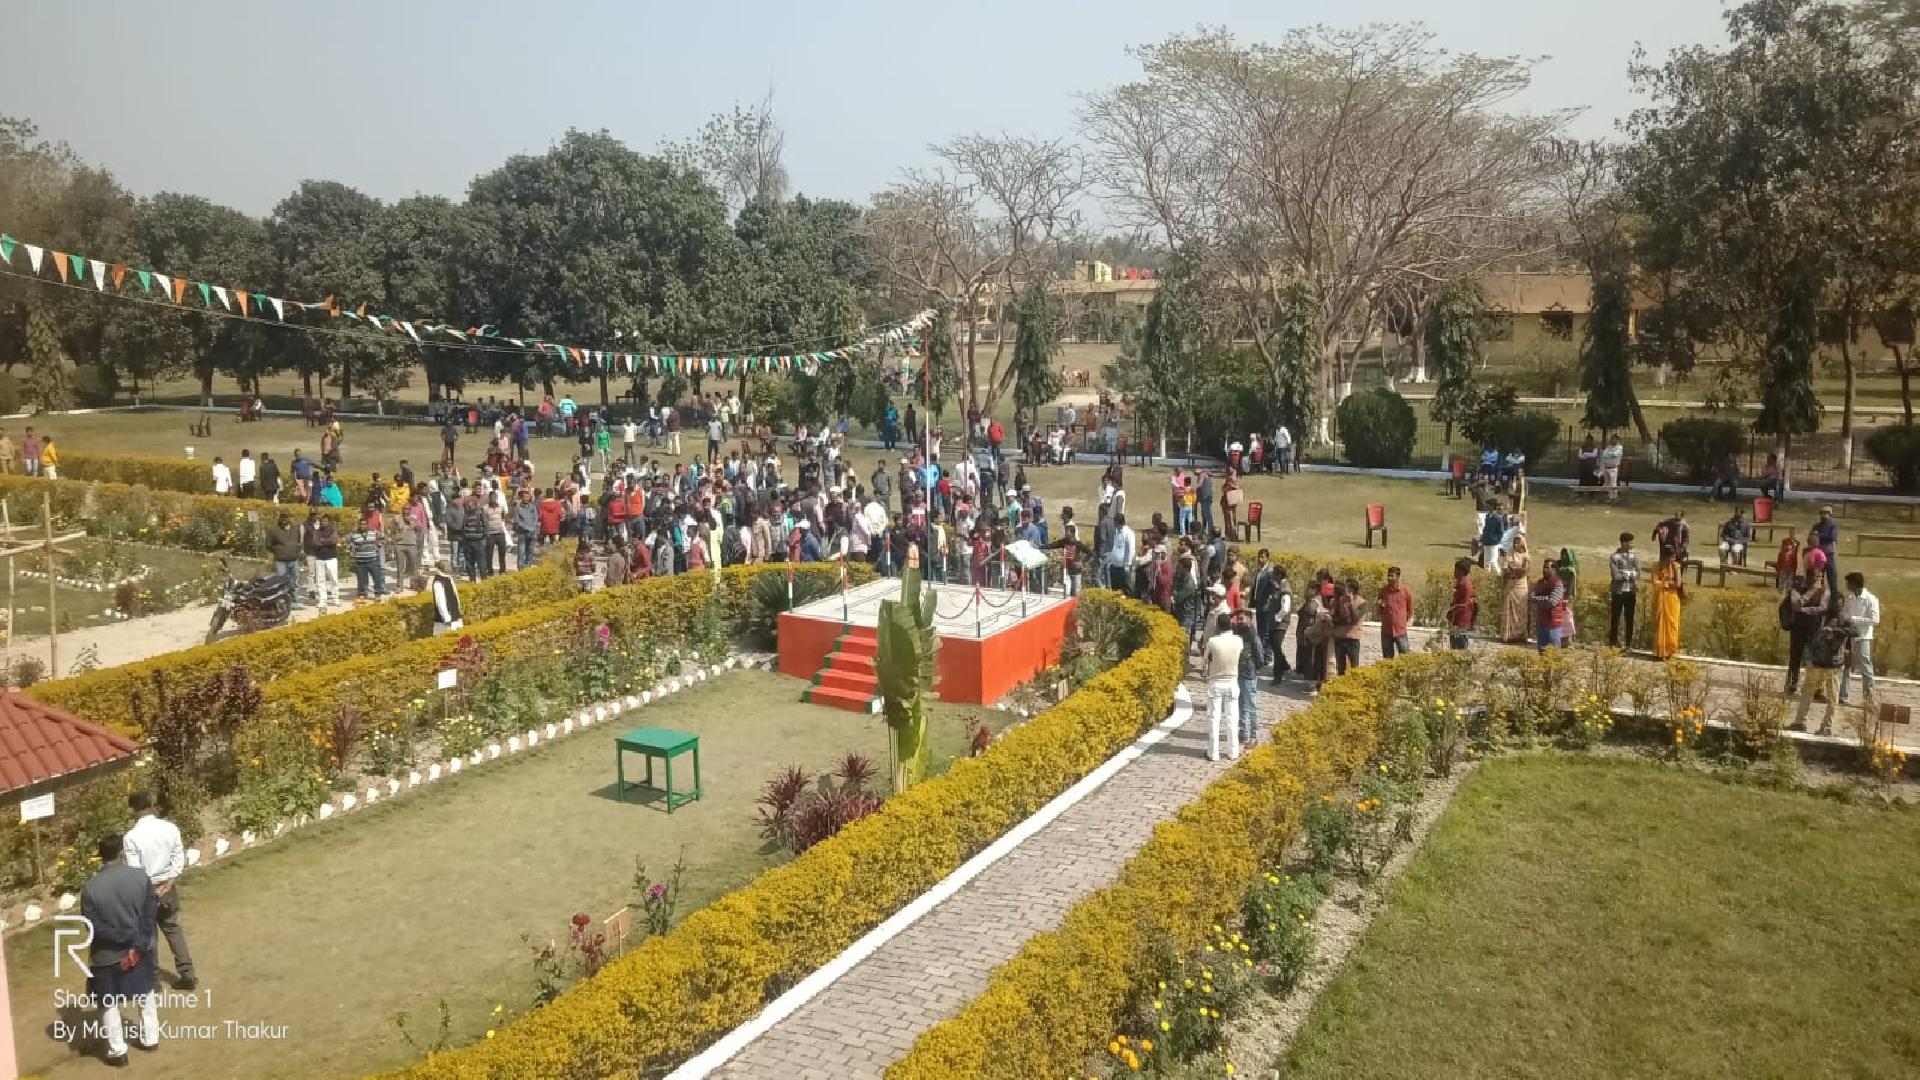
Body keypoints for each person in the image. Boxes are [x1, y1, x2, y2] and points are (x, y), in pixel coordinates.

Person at [81, 833, 160, 1065]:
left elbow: (93, 926)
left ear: (100, 857)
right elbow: (149, 916)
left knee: (108, 1003)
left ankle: (118, 1051)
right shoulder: (141, 877)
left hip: (106, 955)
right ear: (121, 853)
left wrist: (122, 937)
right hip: (139, 948)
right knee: (145, 993)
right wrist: (137, 940)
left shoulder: (90, 888)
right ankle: (150, 1038)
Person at [122, 790, 195, 990]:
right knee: (173, 930)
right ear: (151, 805)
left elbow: (136, 870)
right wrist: (170, 880)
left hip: (146, 890)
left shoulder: (131, 837)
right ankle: (188, 974)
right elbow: (178, 856)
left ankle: (153, 981)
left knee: (149, 936)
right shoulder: (169, 828)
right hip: (167, 886)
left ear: (133, 810)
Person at [1793, 605, 1852, 736]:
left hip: (1833, 663)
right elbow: (1810, 637)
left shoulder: (1843, 618)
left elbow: (1854, 631)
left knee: (1832, 695)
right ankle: (1799, 722)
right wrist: (1809, 656)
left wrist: (1834, 631)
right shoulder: (1819, 616)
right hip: (1816, 661)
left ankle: (1827, 726)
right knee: (1807, 691)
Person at [1201, 612, 1243, 763]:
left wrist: (1205, 671)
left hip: (1216, 681)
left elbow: (1205, 661)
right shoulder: (1238, 640)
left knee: (1214, 718)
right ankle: (1233, 751)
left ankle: (1213, 753)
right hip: (1232, 680)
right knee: (1232, 718)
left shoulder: (1213, 641)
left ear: (1218, 626)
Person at [1838, 572, 1880, 709]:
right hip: (1849, 637)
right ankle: (1843, 696)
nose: (1847, 585)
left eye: (1849, 583)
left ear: (1855, 584)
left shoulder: (1870, 599)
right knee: (1846, 665)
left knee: (1866, 667)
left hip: (1863, 637)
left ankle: (1869, 700)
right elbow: (1845, 615)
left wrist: (1854, 619)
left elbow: (1875, 620)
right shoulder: (1849, 598)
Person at [1783, 569, 1827, 695]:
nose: (1819, 579)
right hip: (1797, 628)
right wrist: (1811, 591)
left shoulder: (1823, 591)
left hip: (1814, 628)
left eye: (1821, 576)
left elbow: (1823, 608)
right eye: (1817, 576)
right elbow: (1796, 605)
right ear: (1809, 577)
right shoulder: (1796, 588)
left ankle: (1816, 687)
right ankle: (1792, 684)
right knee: (1795, 657)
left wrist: (1805, 610)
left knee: (1815, 658)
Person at [1651, 546, 1686, 660]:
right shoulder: (1656, 566)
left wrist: (1666, 583)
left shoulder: (1676, 566)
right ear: (1664, 557)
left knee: (1672, 623)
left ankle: (1671, 651)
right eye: (1671, 557)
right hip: (1660, 598)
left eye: (1674, 557)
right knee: (1659, 623)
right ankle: (1660, 651)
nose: (1673, 559)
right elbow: (1654, 581)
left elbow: (1678, 584)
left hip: (1672, 598)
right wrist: (1665, 583)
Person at [1608, 532, 1640, 649]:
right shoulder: (1614, 557)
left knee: (1630, 618)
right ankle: (1613, 643)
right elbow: (1615, 575)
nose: (1632, 544)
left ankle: (1628, 644)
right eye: (1630, 542)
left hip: (1631, 591)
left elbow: (1638, 573)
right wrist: (1629, 574)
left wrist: (1624, 574)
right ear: (1624, 543)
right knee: (1615, 618)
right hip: (1618, 591)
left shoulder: (1634, 557)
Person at [304, 510, 340, 609]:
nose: (323, 522)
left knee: (333, 579)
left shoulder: (333, 529)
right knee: (320, 581)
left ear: (328, 521)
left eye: (325, 521)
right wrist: (320, 537)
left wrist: (322, 541)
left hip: (331, 557)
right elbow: (314, 542)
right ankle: (322, 600)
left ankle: (335, 598)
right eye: (322, 521)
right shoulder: (317, 530)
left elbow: (333, 540)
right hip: (319, 558)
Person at [1235, 613, 1261, 750]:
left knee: (1251, 704)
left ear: (1249, 620)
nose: (1239, 621)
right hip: (1238, 672)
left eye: (1241, 619)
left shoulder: (1252, 634)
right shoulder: (1236, 632)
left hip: (1249, 673)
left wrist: (1254, 667)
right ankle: (1243, 731)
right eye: (1238, 619)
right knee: (1240, 703)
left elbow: (1259, 655)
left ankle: (1254, 734)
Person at [349, 511, 387, 602]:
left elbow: (383, 537)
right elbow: (348, 543)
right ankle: (362, 594)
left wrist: (378, 546)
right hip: (360, 562)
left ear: (367, 525)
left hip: (372, 560)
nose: (362, 526)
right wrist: (352, 549)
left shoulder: (373, 532)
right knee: (361, 580)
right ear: (358, 525)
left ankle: (377, 594)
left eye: (364, 524)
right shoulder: (354, 534)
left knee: (377, 577)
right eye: (361, 524)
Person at [1500, 534, 1532, 643]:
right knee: (1509, 609)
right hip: (1510, 585)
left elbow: (1524, 571)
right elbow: (1505, 569)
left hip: (1521, 586)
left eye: (1518, 542)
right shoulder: (1509, 553)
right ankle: (1508, 635)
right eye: (1514, 542)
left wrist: (1514, 570)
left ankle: (1520, 635)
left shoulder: (1526, 556)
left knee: (1520, 610)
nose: (1515, 544)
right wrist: (1511, 571)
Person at [1531, 561, 1568, 651]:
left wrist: (1539, 599)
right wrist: (1546, 598)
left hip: (1553, 625)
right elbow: (1531, 597)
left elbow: (1552, 602)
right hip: (1541, 624)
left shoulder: (1558, 584)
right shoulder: (1540, 583)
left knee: (1553, 654)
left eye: (1547, 568)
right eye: (1544, 567)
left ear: (1554, 569)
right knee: (1542, 653)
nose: (1544, 570)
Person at [1377, 566, 1413, 659]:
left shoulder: (1405, 591)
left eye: (1392, 576)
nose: (1389, 578)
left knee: (1405, 657)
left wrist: (1402, 621)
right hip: (1386, 631)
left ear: (1398, 577)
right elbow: (1379, 608)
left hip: (1400, 630)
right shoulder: (1383, 591)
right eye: (1388, 575)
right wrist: (1380, 606)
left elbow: (1410, 609)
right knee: (1387, 659)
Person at [1330, 579, 1364, 676]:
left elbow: (1355, 619)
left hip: (1353, 638)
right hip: (1340, 637)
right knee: (1340, 667)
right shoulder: (1341, 600)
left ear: (1352, 589)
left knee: (1354, 666)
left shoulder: (1362, 602)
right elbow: (1335, 618)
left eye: (1347, 587)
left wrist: (1351, 603)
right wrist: (1344, 620)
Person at [268, 510, 303, 594]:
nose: (284, 519)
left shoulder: (296, 528)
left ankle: (294, 599)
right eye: (282, 517)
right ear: (279, 518)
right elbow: (268, 545)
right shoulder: (273, 529)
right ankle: (283, 598)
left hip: (293, 559)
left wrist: (296, 550)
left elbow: (299, 541)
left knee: (294, 582)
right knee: (281, 582)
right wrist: (278, 551)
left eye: (286, 517)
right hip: (280, 560)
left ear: (289, 518)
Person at [1447, 558, 1477, 650]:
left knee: (1459, 647)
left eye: (1456, 570)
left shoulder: (1465, 585)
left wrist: (1451, 611)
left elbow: (1464, 604)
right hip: (1457, 619)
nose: (1454, 572)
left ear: (1462, 571)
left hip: (1461, 620)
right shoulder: (1460, 583)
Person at [1808, 507, 1840, 592]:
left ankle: (1834, 597)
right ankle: (1818, 596)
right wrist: (1818, 536)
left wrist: (1818, 535)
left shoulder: (1834, 525)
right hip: (1817, 555)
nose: (1824, 515)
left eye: (1826, 513)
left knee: (1832, 578)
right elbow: (1811, 537)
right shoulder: (1816, 525)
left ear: (1830, 514)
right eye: (1822, 513)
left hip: (1829, 554)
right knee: (1818, 578)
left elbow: (1832, 537)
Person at [428, 559, 463, 634]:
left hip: (455, 615)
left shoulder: (449, 578)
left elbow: (455, 594)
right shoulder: (438, 582)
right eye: (448, 566)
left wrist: (458, 608)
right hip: (445, 620)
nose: (450, 567)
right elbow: (440, 602)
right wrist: (446, 618)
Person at [1105, 512, 1136, 594]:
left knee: (1126, 590)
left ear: (1118, 522)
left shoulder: (1128, 533)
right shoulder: (1116, 532)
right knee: (1115, 591)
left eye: (1114, 521)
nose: (1113, 523)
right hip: (1114, 566)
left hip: (1123, 567)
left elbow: (1130, 549)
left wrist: (1127, 565)